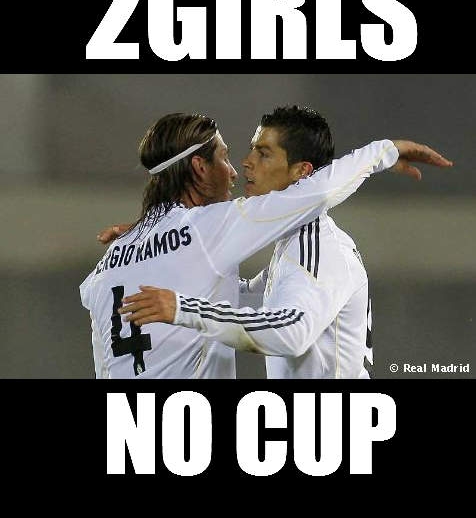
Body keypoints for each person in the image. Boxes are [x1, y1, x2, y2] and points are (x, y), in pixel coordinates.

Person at [80, 110, 451, 379]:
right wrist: (382, 152)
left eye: (262, 153)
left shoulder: (111, 259)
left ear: (302, 172)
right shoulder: (210, 230)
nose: (239, 167)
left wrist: (155, 243)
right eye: (226, 156)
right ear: (199, 168)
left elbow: (288, 328)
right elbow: (318, 192)